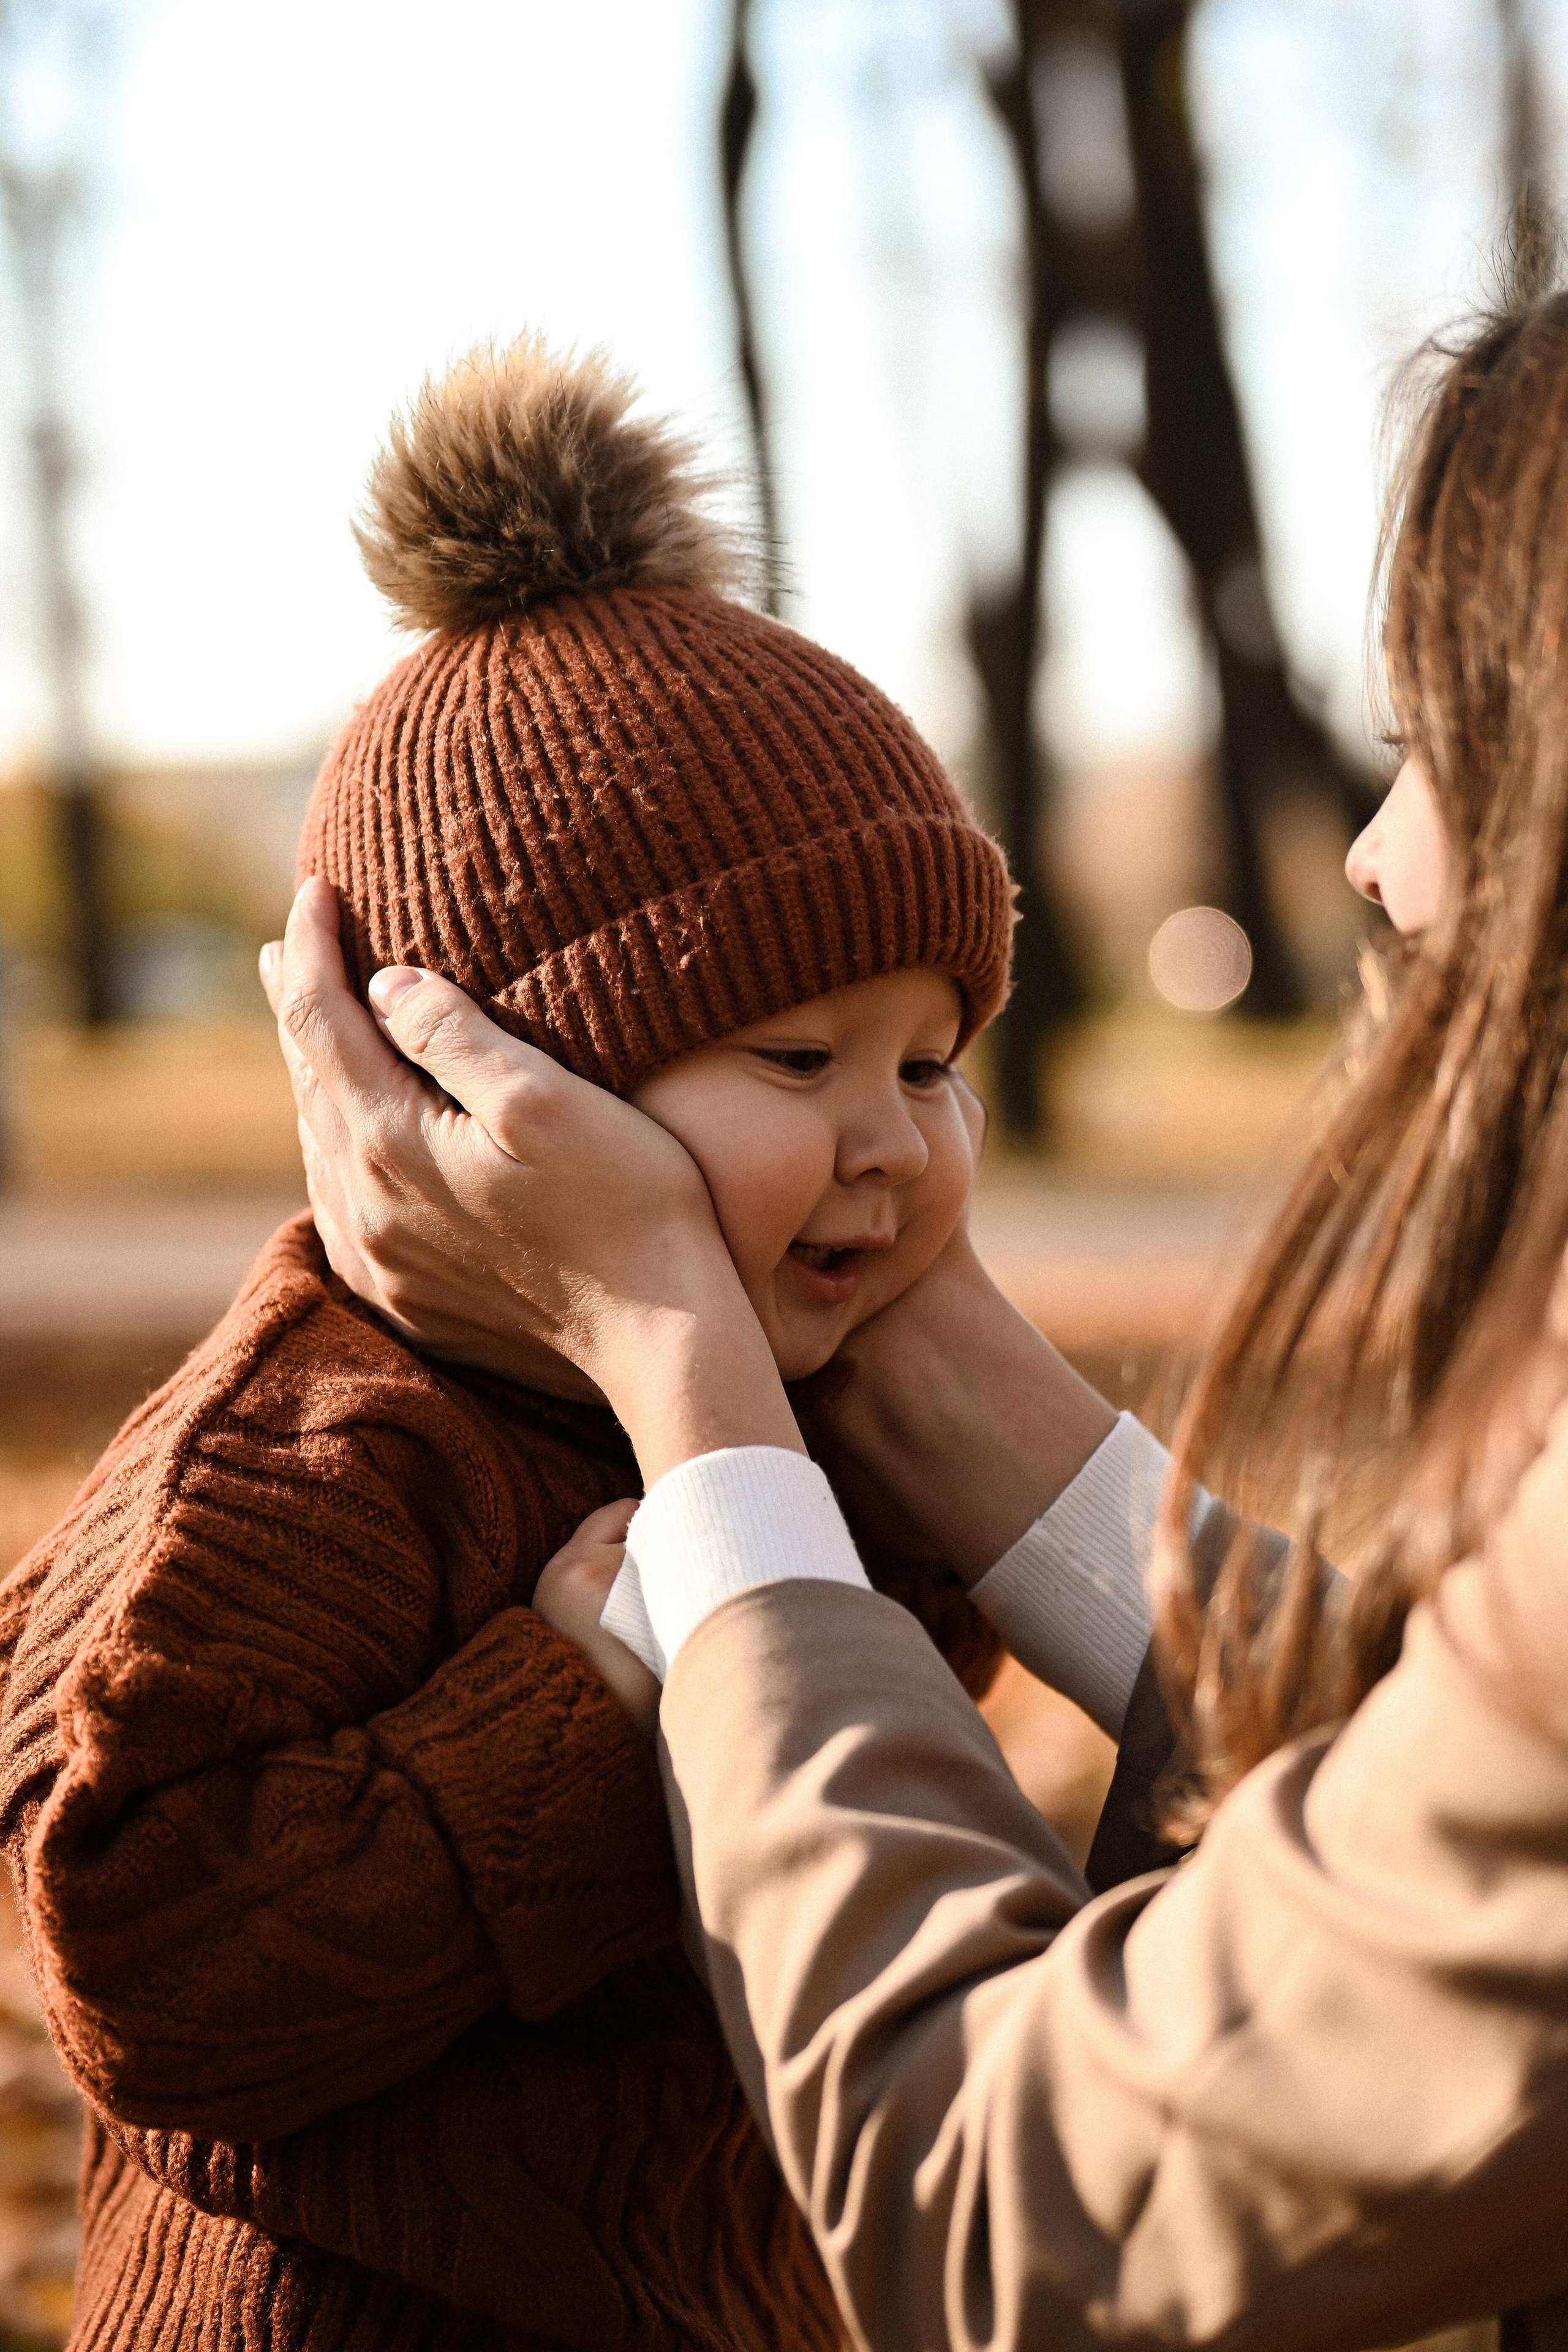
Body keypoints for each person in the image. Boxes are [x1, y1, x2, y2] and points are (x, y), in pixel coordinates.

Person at [264, 287, 1568, 2352]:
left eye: (1440, 749)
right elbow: (1437, 1844)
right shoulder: (300, 1472)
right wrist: (918, 1358)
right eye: (791, 1057)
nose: (1380, 862)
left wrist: (688, 1385)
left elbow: (1017, 2200)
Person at [0, 336, 1022, 2351]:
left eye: (932, 1061)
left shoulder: (785, 1403)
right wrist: (572, 1698)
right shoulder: (306, 1456)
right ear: (505, 1088)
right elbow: (151, 1968)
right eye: (800, 1057)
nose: (890, 1141)